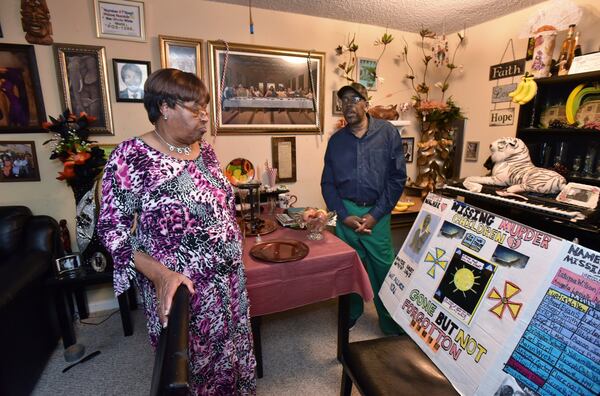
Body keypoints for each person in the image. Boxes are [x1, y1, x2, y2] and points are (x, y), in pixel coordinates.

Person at [97, 68, 256, 394]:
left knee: (233, 361)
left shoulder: (205, 151)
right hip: (185, 293)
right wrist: (159, 274)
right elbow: (112, 230)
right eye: (196, 110)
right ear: (165, 107)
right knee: (193, 371)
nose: (204, 118)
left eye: (205, 109)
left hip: (229, 286)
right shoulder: (131, 157)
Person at [321, 82, 407, 335]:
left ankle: (391, 323)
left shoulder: (388, 133)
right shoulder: (336, 142)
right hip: (346, 211)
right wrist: (344, 216)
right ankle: (352, 311)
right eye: (343, 102)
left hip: (377, 212)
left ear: (366, 103)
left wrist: (375, 215)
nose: (348, 105)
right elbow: (327, 183)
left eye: (354, 99)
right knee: (350, 267)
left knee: (383, 268)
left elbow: (397, 178)